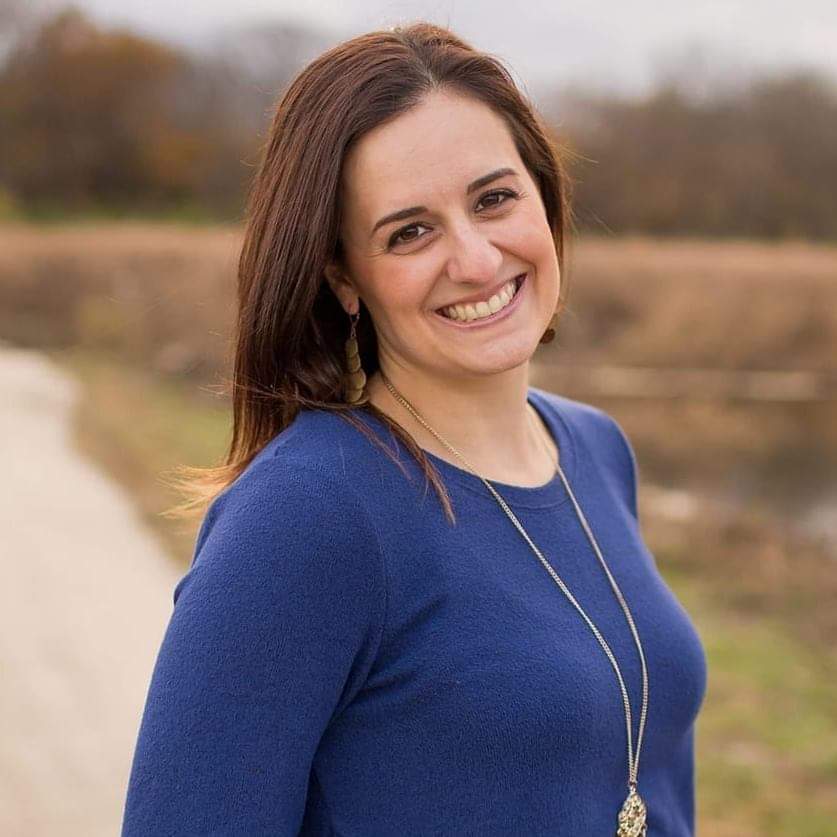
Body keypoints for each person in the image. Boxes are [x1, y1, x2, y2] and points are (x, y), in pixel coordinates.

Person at [121, 21, 707, 837]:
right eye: (410, 231)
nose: (473, 258)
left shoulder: (597, 450)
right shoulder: (306, 514)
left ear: (543, 196)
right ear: (343, 278)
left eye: (494, 198)